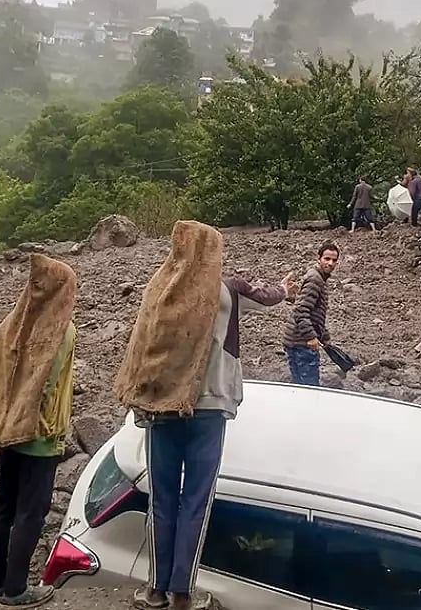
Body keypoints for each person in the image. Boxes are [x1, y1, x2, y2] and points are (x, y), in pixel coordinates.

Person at [114, 220, 296, 610]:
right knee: (196, 500)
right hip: (210, 407)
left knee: (161, 499)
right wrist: (285, 288)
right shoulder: (226, 289)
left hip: (162, 407)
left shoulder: (158, 288)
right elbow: (267, 297)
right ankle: (183, 592)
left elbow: (142, 343)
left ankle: (155, 590)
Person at [0, 253, 78, 609]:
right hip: (40, 438)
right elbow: (45, 385)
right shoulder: (63, 330)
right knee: (31, 514)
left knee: (2, 507)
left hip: (7, 431)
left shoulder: (12, 323)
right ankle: (17, 589)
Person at [283, 241, 339, 386]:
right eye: (327, 259)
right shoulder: (315, 279)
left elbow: (314, 313)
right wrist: (311, 337)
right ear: (318, 259)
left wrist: (324, 337)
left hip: (295, 340)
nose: (330, 263)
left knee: (299, 386)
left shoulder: (319, 278)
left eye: (334, 260)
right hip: (301, 343)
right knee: (309, 388)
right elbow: (300, 310)